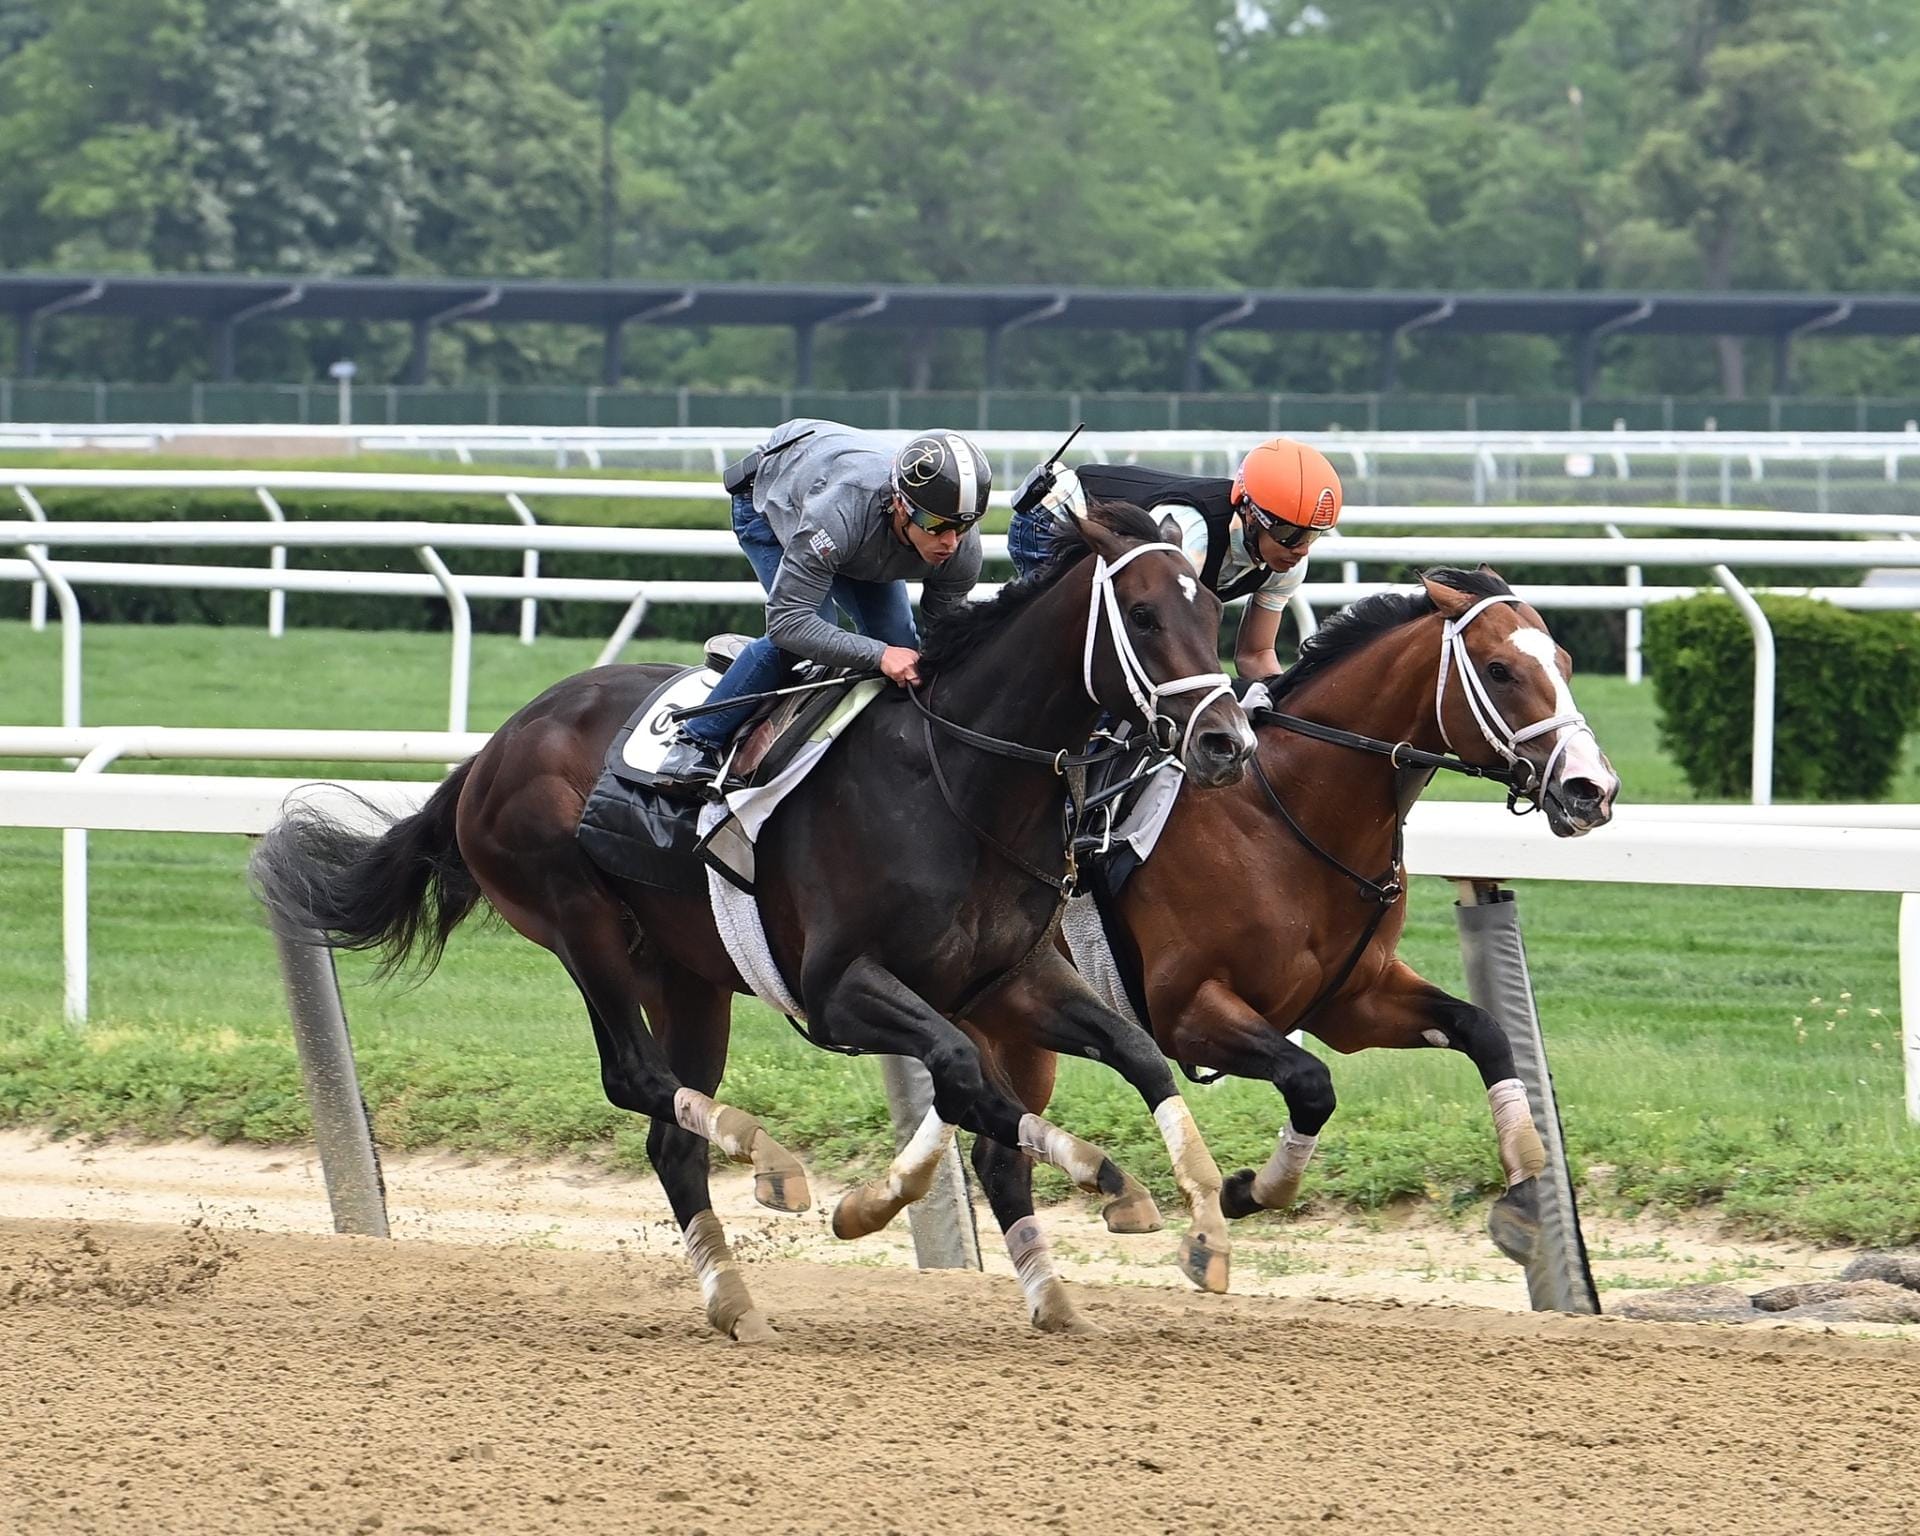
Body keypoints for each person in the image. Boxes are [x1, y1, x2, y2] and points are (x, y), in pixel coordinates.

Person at [656, 419, 991, 785]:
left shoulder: (962, 551)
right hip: (773, 500)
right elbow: (790, 623)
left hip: (854, 531)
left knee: (903, 645)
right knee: (812, 636)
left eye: (961, 526)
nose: (950, 542)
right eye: (935, 525)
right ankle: (695, 739)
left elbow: (942, 640)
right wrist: (879, 655)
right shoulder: (838, 514)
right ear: (899, 503)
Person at [1009, 436, 1343, 681]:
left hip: (1117, 546)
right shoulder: (1190, 533)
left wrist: (1279, 701)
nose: (1301, 549)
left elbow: (1255, 656)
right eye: (1290, 533)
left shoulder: (1286, 565)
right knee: (1083, 661)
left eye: (1312, 534)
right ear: (1251, 515)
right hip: (1055, 515)